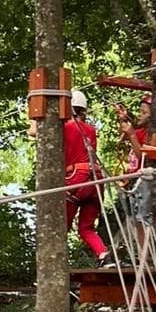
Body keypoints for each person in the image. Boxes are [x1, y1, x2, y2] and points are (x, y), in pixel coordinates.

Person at [63, 88, 109, 263]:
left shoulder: (66, 127)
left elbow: (34, 132)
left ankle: (57, 260)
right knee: (86, 228)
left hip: (77, 178)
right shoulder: (90, 129)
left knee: (61, 227)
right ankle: (104, 254)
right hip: (96, 181)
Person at [116, 91, 153, 246]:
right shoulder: (139, 130)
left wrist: (131, 134)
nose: (139, 115)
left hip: (142, 179)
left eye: (144, 112)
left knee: (142, 217)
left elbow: (141, 154)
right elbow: (122, 137)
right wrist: (123, 119)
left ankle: (148, 251)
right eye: (139, 111)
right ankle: (141, 252)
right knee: (134, 219)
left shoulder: (149, 133)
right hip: (132, 180)